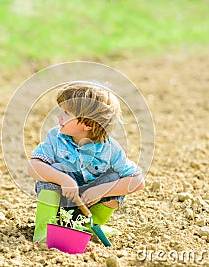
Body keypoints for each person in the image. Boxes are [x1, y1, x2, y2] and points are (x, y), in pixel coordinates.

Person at [27, 81, 145, 243]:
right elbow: (33, 166)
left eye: (67, 113)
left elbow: (138, 181)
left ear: (88, 124)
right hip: (59, 202)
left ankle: (85, 226)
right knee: (50, 172)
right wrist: (64, 180)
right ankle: (44, 233)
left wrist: (101, 191)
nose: (59, 116)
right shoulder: (56, 138)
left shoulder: (110, 149)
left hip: (86, 203)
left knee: (115, 179)